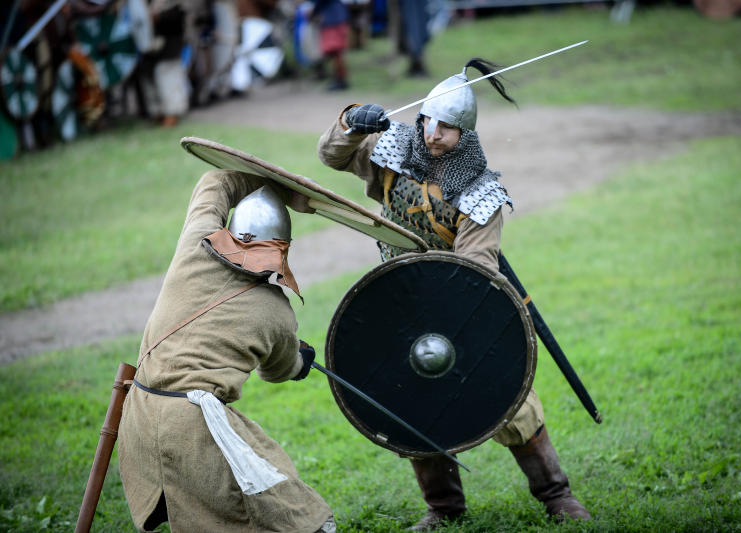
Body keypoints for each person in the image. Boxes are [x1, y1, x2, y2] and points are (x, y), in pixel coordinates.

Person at [316, 58, 591, 530]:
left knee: (508, 398)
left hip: (461, 307)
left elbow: (474, 272)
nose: (433, 133)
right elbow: (332, 156)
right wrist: (350, 123)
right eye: (429, 121)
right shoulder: (394, 150)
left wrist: (453, 312)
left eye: (447, 126)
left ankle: (556, 494)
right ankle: (443, 508)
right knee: (410, 396)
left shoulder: (479, 194)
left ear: (466, 133)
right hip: (399, 298)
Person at [118, 168, 336, 533]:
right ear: (280, 248)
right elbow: (278, 369)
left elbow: (214, 182)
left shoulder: (194, 243)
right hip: (193, 427)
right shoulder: (275, 311)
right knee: (297, 516)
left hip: (136, 416)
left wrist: (278, 189)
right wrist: (300, 361)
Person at [311, 0, 350, 90]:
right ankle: (339, 79)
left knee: (335, 52)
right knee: (337, 53)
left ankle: (340, 80)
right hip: (338, 19)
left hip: (332, 22)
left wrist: (313, 12)